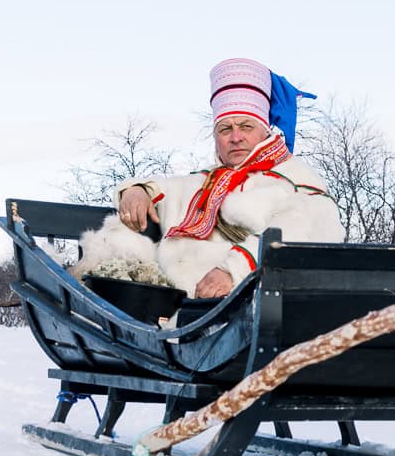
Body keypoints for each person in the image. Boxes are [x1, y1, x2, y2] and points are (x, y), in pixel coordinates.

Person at [113, 58, 343, 297]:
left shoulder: (296, 177)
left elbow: (306, 229)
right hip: (182, 312)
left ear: (265, 132)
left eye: (246, 127)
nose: (235, 137)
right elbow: (163, 188)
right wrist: (136, 191)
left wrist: (234, 270)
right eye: (225, 129)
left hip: (256, 304)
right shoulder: (205, 183)